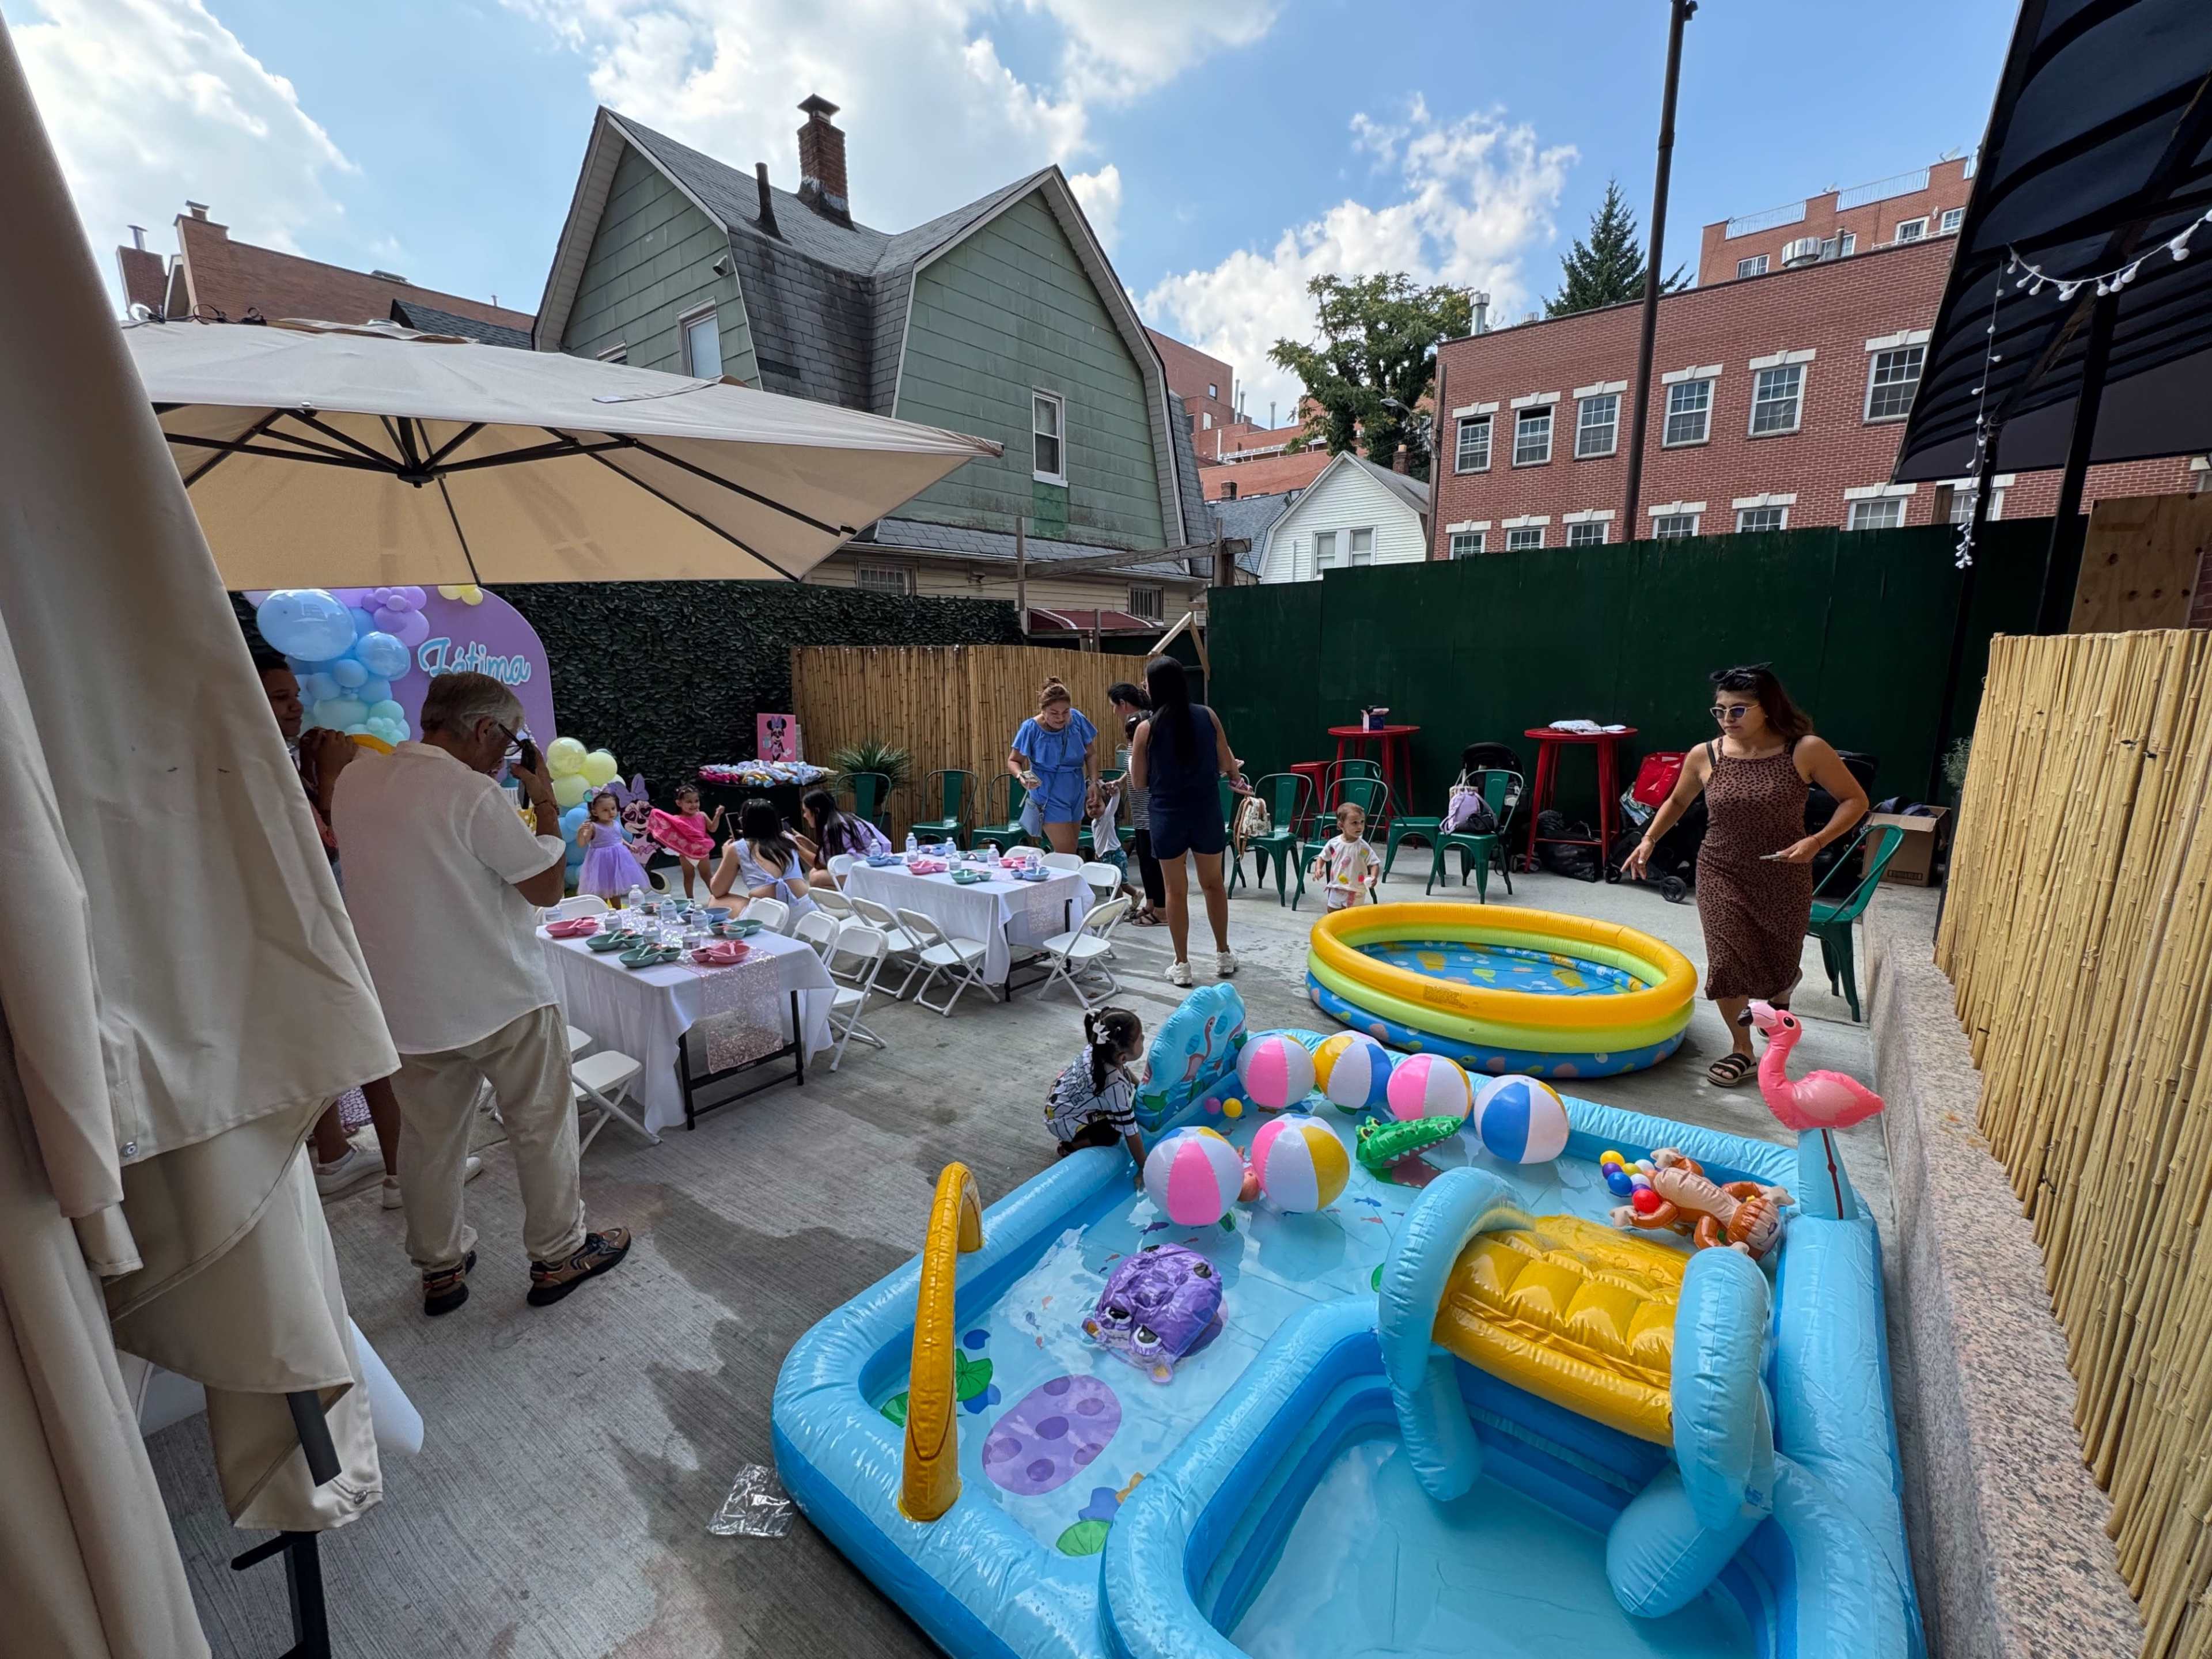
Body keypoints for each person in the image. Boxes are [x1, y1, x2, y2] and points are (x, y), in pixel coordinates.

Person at [333, 672, 630, 1315]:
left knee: (428, 1142)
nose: (508, 756)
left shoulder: (356, 781)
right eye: (511, 740)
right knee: (541, 1128)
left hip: (407, 1003)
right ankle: (558, 1252)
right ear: (485, 729)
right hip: (502, 996)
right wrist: (544, 802)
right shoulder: (469, 793)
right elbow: (545, 888)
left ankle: (439, 1266)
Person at [252, 654, 457, 1210]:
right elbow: (319, 852)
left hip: (295, 932)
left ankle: (334, 1154)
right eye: (279, 697)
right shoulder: (257, 767)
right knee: (375, 1044)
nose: (295, 706)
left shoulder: (269, 758)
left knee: (320, 1041)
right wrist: (331, 781)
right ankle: (403, 1175)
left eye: (294, 694)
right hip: (318, 928)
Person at [1624, 665, 1869, 1086]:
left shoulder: (1804, 750)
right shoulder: (1706, 755)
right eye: (1719, 711)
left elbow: (1855, 800)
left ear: (1767, 708)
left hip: (1784, 873)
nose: (1726, 719)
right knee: (1726, 963)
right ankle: (1742, 1049)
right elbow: (1678, 802)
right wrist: (1649, 839)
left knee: (1777, 960)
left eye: (1738, 710)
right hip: (1720, 869)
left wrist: (1816, 842)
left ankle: (1782, 988)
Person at [1128, 654, 1248, 987]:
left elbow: (1138, 782)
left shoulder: (1146, 729)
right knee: (1213, 885)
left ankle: (1182, 965)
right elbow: (1226, 760)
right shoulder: (1207, 716)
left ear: (1155, 688)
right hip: (1206, 811)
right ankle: (1223, 954)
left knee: (1175, 891)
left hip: (1168, 815)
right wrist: (1235, 777)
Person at [1044, 1007, 1147, 1172]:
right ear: (1122, 1057)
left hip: (1059, 1105)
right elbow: (1130, 1131)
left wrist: (1139, 1085)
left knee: (1113, 1116)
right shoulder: (1114, 1086)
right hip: (1063, 1120)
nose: (1143, 1038)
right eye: (1140, 1039)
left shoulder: (1098, 1049)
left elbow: (1123, 1070)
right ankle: (1071, 1146)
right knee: (1112, 1133)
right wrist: (1143, 1167)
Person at [1007, 679, 1099, 855]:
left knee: (1072, 848)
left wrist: (1094, 782)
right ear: (1043, 710)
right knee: (1067, 852)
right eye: (1054, 713)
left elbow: (1091, 754)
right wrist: (1021, 776)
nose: (1061, 718)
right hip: (1048, 793)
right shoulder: (1030, 728)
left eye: (1066, 712)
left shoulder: (1077, 719)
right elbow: (1013, 760)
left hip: (1076, 790)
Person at [710, 798, 818, 924]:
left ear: (743, 822)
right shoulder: (789, 839)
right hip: (804, 914)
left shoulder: (737, 848)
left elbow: (717, 891)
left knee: (714, 901)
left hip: (769, 918)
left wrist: (726, 856)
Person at [1108, 688, 1164, 926]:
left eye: (1114, 706)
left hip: (1152, 808)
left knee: (1154, 862)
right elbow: (1134, 764)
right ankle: (1151, 904)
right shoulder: (1136, 726)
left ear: (1123, 704)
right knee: (1145, 859)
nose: (1114, 712)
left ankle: (1162, 910)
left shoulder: (1146, 724)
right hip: (1140, 811)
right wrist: (1122, 781)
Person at [796, 785, 884, 887]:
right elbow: (831, 855)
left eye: (805, 811)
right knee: (814, 873)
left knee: (816, 878)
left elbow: (821, 864)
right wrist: (809, 844)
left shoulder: (833, 827)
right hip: (869, 866)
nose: (804, 816)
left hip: (869, 872)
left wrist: (797, 848)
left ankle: (852, 895)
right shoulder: (840, 819)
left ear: (817, 811)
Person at [575, 786, 651, 903]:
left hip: (618, 859)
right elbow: (582, 843)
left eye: (613, 808)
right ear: (595, 812)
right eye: (605, 810)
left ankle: (618, 909)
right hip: (601, 861)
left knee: (616, 887)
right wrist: (581, 832)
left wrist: (629, 845)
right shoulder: (594, 826)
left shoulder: (615, 823)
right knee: (603, 887)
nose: (611, 812)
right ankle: (604, 909)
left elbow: (618, 837)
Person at [1310, 800, 1381, 910]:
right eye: (1355, 823)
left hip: (1356, 890)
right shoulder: (1334, 844)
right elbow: (1322, 857)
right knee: (1332, 910)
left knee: (1351, 915)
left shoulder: (1363, 847)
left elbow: (1374, 863)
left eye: (1362, 822)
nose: (1360, 826)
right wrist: (1318, 869)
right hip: (1336, 886)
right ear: (1341, 825)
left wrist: (1373, 877)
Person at [669, 783, 724, 898]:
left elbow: (712, 829)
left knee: (707, 876)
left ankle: (716, 897)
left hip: (702, 852)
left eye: (696, 801)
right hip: (686, 854)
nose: (694, 805)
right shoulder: (676, 819)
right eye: (689, 802)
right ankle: (690, 901)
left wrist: (718, 815)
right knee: (689, 877)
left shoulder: (702, 815)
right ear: (679, 803)